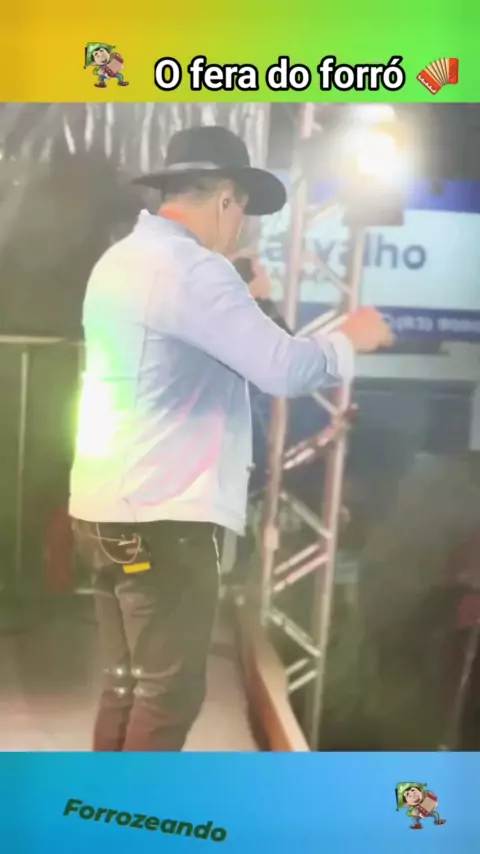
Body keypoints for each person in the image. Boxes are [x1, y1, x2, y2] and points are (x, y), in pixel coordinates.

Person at [69, 124, 392, 752]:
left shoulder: (122, 261)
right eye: (242, 209)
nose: (241, 226)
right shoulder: (194, 270)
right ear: (225, 199)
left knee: (128, 686)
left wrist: (248, 303)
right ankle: (133, 810)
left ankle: (101, 805)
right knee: (167, 696)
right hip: (163, 519)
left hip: (106, 511)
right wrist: (350, 339)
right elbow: (284, 369)